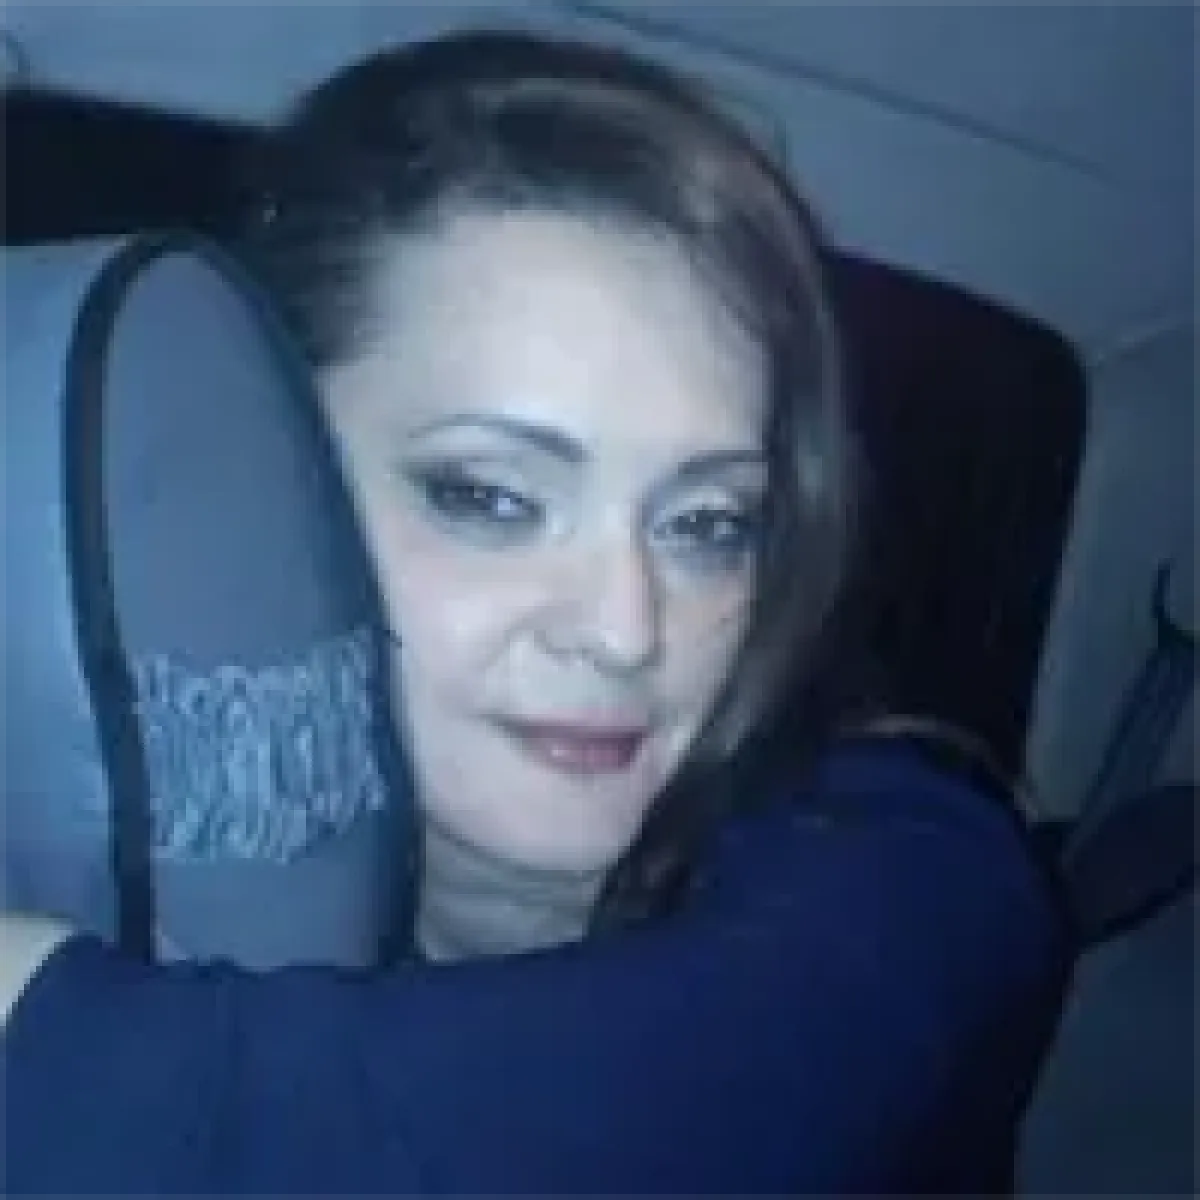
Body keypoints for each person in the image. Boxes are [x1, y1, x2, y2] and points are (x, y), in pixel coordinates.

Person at [0, 28, 1070, 1199]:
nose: (625, 630)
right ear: (258, 482)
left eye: (707, 523)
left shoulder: (908, 862)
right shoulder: (127, 868)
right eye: (492, 499)